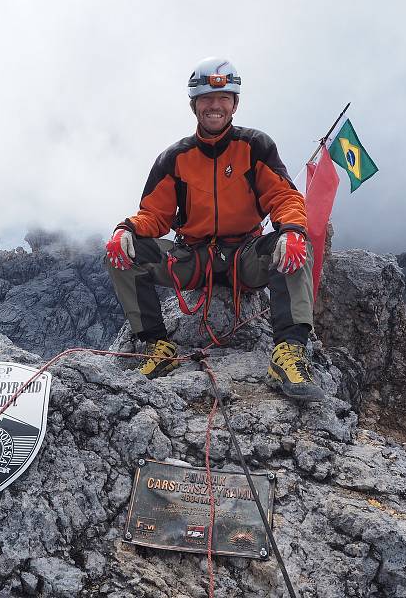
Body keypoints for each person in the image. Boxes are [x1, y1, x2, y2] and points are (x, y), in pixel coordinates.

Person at [104, 57, 324, 402]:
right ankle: (157, 346)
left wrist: (292, 230)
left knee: (294, 246)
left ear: (235, 104)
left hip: (245, 259)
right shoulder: (174, 158)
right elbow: (155, 215)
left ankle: (288, 353)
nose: (215, 106)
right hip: (194, 258)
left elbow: (283, 196)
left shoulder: (255, 147)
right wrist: (126, 230)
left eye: (224, 99)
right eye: (206, 99)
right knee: (123, 255)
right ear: (194, 105)